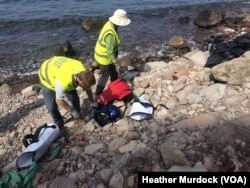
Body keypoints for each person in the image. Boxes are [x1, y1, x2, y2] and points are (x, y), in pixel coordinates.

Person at [38, 56, 96, 128]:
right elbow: (59, 100)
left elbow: (88, 88)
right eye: (85, 86)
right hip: (46, 78)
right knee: (51, 107)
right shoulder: (64, 82)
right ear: (80, 82)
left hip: (58, 66)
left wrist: (92, 101)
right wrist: (71, 110)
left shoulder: (83, 72)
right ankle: (59, 121)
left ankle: (77, 116)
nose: (87, 87)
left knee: (74, 97)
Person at [94, 9, 131, 97]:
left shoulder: (109, 24)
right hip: (104, 58)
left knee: (113, 72)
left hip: (103, 55)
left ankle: (115, 85)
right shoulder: (110, 34)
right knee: (104, 76)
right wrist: (114, 59)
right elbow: (109, 50)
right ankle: (98, 93)